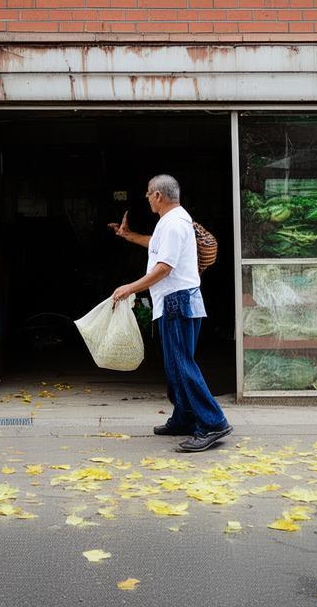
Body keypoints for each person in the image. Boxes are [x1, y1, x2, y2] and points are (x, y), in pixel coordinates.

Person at [109, 174, 232, 453]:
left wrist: (131, 288)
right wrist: (129, 236)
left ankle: (213, 422)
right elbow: (156, 244)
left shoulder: (175, 223)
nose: (147, 198)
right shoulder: (170, 222)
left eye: (148, 193)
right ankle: (185, 418)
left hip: (178, 301)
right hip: (172, 301)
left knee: (183, 364)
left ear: (158, 196)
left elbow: (165, 267)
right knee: (174, 366)